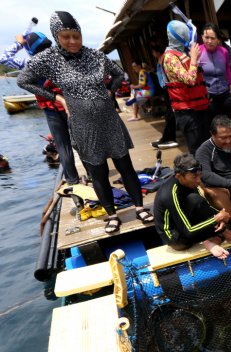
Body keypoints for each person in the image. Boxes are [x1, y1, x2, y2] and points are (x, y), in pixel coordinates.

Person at [18, 11, 152, 234]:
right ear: (56, 36)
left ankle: (139, 206)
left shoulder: (94, 55)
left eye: (76, 36)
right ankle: (111, 214)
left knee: (125, 166)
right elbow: (24, 80)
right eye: (66, 36)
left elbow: (119, 74)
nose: (72, 41)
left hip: (109, 119)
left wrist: (109, 92)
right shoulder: (48, 58)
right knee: (97, 171)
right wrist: (57, 97)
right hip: (82, 124)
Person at [1, 31, 80, 184]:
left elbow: (3, 58)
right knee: (81, 141)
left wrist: (19, 43)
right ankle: (92, 174)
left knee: (63, 146)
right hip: (71, 105)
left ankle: (72, 180)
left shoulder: (29, 64)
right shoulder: (62, 57)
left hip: (51, 109)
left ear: (30, 49)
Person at [154, 154, 231, 260]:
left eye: (200, 175)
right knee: (216, 220)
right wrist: (215, 219)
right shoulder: (170, 194)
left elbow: (204, 207)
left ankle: (211, 240)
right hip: (177, 237)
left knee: (226, 221)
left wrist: (221, 217)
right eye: (194, 177)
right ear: (179, 176)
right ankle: (225, 236)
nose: (199, 180)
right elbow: (188, 232)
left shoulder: (191, 183)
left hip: (187, 223)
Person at [162, 20, 209, 155]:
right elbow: (190, 79)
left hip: (199, 108)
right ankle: (200, 175)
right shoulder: (170, 57)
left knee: (207, 146)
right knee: (197, 151)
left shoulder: (182, 54)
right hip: (187, 112)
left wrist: (195, 58)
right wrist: (193, 58)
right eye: (185, 34)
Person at [199, 23, 231, 120]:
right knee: (212, 125)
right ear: (202, 37)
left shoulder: (224, 51)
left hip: (225, 94)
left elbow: (227, 69)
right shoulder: (198, 51)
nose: (209, 41)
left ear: (218, 39)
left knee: (226, 122)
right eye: (206, 37)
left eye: (213, 38)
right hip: (209, 96)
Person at [150, 44, 178, 149]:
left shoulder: (164, 59)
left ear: (157, 52)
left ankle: (168, 138)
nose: (153, 54)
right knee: (169, 114)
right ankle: (167, 138)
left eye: (153, 52)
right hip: (166, 88)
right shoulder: (160, 60)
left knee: (170, 114)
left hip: (168, 88)